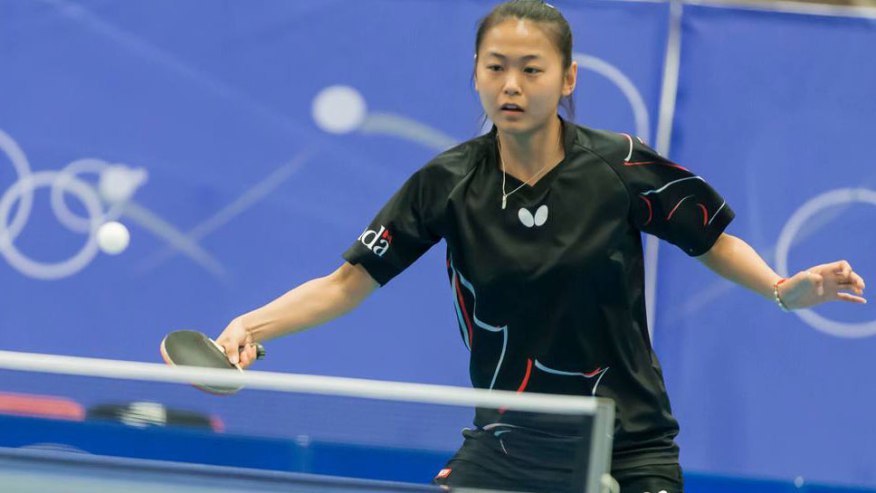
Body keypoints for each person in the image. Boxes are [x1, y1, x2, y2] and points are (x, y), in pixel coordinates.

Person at [215, 1, 867, 492]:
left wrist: (784, 290)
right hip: (508, 443)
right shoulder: (447, 183)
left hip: (626, 441)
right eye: (496, 68)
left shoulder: (621, 165)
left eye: (532, 69)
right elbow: (345, 283)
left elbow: (711, 240)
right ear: (475, 73)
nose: (512, 86)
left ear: (569, 77)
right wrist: (249, 323)